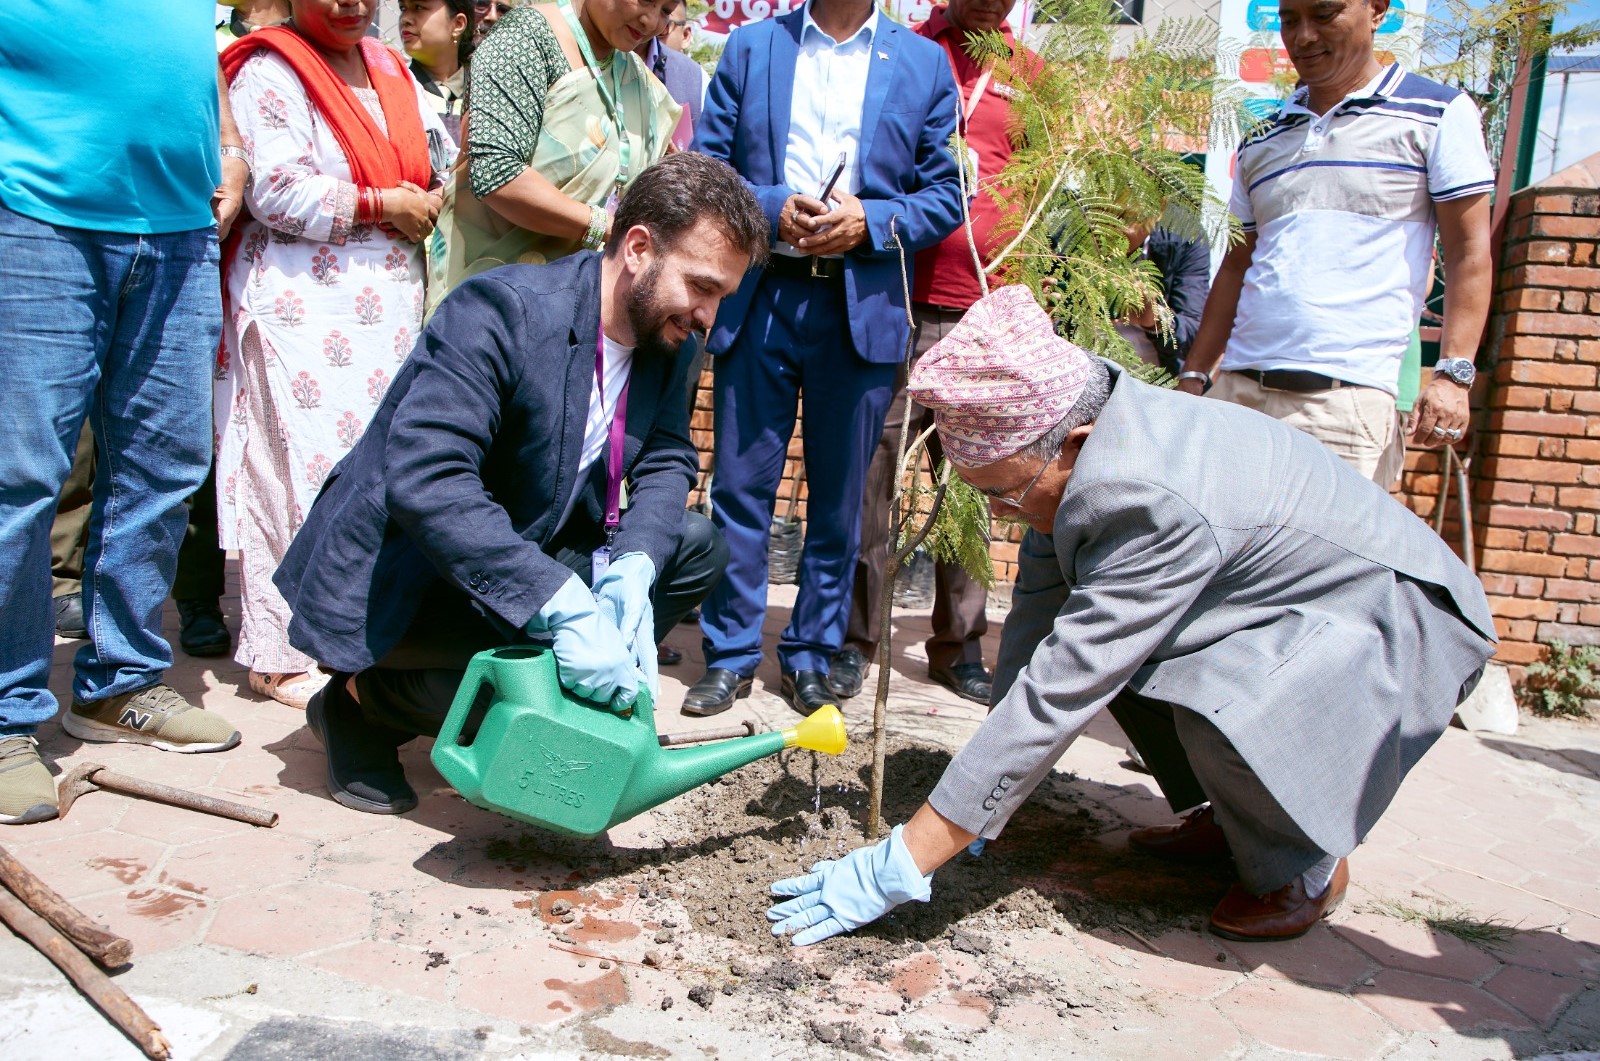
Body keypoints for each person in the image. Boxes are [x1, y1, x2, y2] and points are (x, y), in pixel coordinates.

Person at [764, 286, 1496, 945]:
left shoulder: (1151, 497)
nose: (1000, 513)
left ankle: (1302, 863)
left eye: (1004, 496)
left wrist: (906, 858)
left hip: (1397, 618)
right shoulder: (1088, 445)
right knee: (1149, 662)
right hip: (1302, 607)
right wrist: (985, 798)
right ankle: (1246, 821)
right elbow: (1039, 626)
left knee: (1212, 691)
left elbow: (1064, 685)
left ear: (1072, 447)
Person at [274, 154, 766, 815]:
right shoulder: (501, 312)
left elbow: (668, 455)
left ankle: (531, 696)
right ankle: (364, 704)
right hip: (412, 576)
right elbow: (429, 478)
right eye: (701, 287)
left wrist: (633, 570)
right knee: (534, 670)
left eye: (722, 297)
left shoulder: (670, 336)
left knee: (695, 545)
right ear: (640, 248)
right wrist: (559, 602)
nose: (709, 315)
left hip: (520, 547)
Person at [0, 2, 247, 825]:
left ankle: (121, 685)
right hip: (34, 211)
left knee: (166, 464)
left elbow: (189, 52)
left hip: (178, 226)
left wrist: (235, 149)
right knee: (19, 478)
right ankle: (4, 716)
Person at [686, 0, 964, 718]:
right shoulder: (752, 49)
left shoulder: (923, 63)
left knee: (840, 504)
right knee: (741, 490)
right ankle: (730, 654)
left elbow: (944, 195)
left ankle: (811, 653)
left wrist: (868, 221)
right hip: (763, 295)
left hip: (860, 308)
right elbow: (708, 170)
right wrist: (772, 205)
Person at [217, 0, 454, 710]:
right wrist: (387, 204)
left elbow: (436, 157)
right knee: (293, 473)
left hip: (387, 305)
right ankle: (279, 653)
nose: (354, 4)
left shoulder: (389, 68)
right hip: (302, 304)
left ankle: (349, 639)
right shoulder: (270, 67)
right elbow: (274, 188)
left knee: (364, 477)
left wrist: (433, 193)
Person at [1177, 0, 1494, 484]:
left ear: (1377, 9)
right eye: (1289, 20)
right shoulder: (1262, 136)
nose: (1302, 37)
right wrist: (1196, 376)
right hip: (1237, 398)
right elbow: (1237, 266)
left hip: (1347, 409)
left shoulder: (1437, 115)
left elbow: (1470, 250)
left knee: (1330, 561)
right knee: (1213, 557)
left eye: (1324, 15)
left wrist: (1453, 375)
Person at [833, 0, 1040, 707]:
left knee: (972, 483)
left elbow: (1036, 190)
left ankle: (959, 645)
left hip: (979, 312)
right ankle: (856, 641)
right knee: (873, 476)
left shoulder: (1031, 75)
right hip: (889, 297)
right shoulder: (905, 51)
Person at [427, 0, 682, 312]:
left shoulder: (636, 79)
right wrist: (607, 227)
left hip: (574, 307)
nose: (651, 20)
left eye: (667, 11)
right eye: (646, 1)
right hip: (489, 300)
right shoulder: (527, 36)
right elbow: (497, 174)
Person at [401, 0, 475, 144]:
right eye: (403, 8)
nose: (405, 19)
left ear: (458, 24)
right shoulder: (395, 90)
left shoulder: (485, 93)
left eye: (419, 7)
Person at [636, 0, 705, 143]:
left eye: (666, 12)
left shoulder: (696, 78)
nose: (652, 23)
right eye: (644, 2)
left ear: (686, 35)